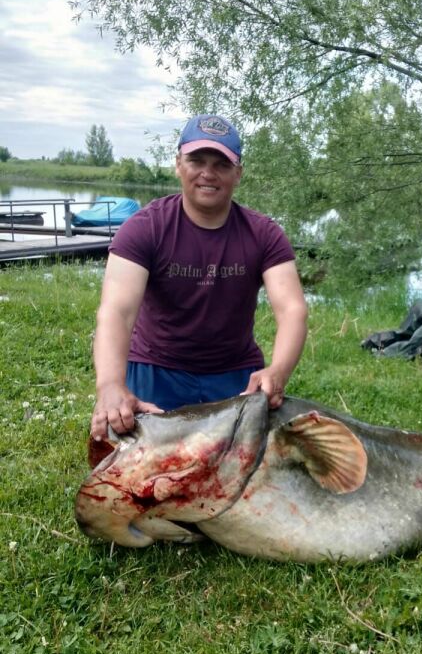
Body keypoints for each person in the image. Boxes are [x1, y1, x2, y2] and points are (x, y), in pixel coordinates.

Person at [91, 113, 308, 440]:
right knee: (136, 469)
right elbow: (117, 312)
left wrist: (278, 371)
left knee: (237, 477)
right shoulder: (143, 227)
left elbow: (292, 309)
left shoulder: (265, 234)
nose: (208, 173)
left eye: (221, 164)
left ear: (238, 173)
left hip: (236, 374)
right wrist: (109, 385)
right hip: (154, 368)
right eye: (197, 160)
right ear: (178, 165)